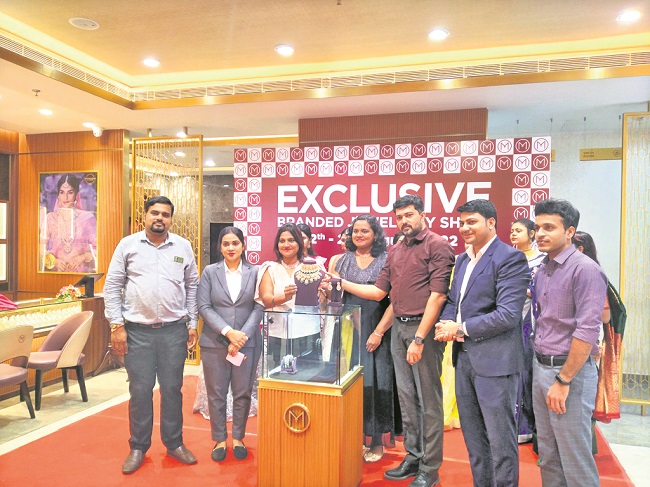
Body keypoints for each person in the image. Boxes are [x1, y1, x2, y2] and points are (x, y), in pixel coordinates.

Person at [335, 194, 455, 487]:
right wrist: (340, 283)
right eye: (399, 217)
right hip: (397, 329)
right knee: (407, 398)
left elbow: (438, 296)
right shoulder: (397, 249)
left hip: (422, 331)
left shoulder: (437, 245)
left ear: (422, 214)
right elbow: (380, 293)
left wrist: (419, 338)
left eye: (409, 215)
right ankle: (413, 456)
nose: (404, 221)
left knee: (428, 402)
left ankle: (430, 468)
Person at [435, 199, 530, 487]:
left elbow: (508, 314)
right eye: (461, 222)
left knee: (500, 441)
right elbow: (453, 301)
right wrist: (446, 323)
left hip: (496, 363)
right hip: (464, 359)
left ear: (491, 222)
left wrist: (459, 328)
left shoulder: (510, 258)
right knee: (475, 441)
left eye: (471, 221)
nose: (464, 228)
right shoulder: (463, 260)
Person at [104, 196, 199, 475]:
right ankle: (138, 447)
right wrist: (116, 325)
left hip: (173, 331)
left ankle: (174, 443)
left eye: (165, 214)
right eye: (154, 213)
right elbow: (112, 286)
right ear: (144, 216)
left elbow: (192, 287)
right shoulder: (127, 245)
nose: (160, 218)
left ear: (171, 219)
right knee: (140, 390)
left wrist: (193, 323)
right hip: (137, 333)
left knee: (172, 389)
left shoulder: (183, 246)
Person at [532, 199, 607, 486]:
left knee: (575, 457)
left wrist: (563, 380)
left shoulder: (585, 270)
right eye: (538, 227)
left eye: (549, 227)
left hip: (569, 375)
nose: (540, 233)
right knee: (548, 454)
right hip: (541, 368)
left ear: (570, 232)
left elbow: (587, 331)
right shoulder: (544, 268)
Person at [330, 214, 402, 462]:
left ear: (375, 234)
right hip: (348, 330)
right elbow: (334, 298)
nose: (359, 235)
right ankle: (355, 437)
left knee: (377, 384)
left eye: (365, 231)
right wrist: (324, 291)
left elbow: (391, 300)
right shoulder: (340, 261)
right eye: (355, 231)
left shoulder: (386, 260)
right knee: (353, 385)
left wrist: (378, 332)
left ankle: (376, 441)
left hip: (377, 331)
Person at [197, 226, 264, 462]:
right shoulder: (210, 272)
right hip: (214, 342)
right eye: (226, 244)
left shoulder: (255, 272)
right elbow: (204, 306)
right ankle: (219, 440)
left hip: (247, 343)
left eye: (235, 243)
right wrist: (228, 332)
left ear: (243, 246)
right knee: (216, 393)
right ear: (220, 247)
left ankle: (238, 438)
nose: (231, 248)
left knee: (242, 392)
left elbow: (259, 305)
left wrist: (241, 336)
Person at [572, 230, 627, 455]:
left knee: (580, 402)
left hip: (585, 344)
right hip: (567, 344)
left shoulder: (592, 273)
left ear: (580, 249)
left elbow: (605, 316)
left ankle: (583, 452)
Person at [257, 224, 320, 366]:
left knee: (308, 372)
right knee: (277, 373)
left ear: (299, 242)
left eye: (291, 240)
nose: (286, 245)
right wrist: (284, 297)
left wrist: (326, 288)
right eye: (282, 241)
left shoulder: (313, 266)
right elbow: (267, 301)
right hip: (277, 334)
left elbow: (326, 297)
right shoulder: (270, 268)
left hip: (308, 332)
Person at [510, 218, 545, 444]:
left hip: (532, 321)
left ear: (532, 233)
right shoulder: (509, 257)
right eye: (512, 230)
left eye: (518, 230)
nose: (513, 234)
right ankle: (514, 425)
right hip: (509, 319)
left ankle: (530, 426)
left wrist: (530, 290)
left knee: (528, 373)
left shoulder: (542, 260)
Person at [42, 174, 97, 272]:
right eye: (62, 192)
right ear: (58, 195)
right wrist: (54, 262)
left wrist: (82, 257)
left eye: (70, 192)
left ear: (76, 195)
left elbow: (99, 250)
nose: (65, 197)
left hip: (82, 276)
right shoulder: (50, 218)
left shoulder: (87, 218)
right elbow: (40, 249)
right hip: (55, 275)